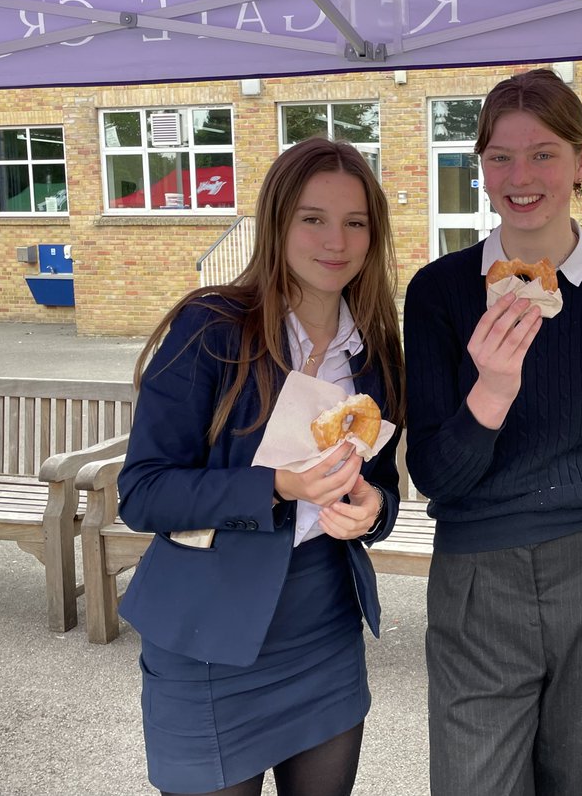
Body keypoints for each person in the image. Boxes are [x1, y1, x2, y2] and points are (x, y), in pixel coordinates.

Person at [403, 68, 582, 796]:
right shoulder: (439, 292)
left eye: (543, 153)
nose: (519, 176)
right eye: (499, 156)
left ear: (581, 160)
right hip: (477, 574)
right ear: (480, 168)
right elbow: (435, 471)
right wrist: (492, 391)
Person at [115, 137, 405, 796]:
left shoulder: (377, 353)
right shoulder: (211, 327)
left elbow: (380, 488)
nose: (337, 240)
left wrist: (373, 510)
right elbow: (144, 492)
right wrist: (277, 485)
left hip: (322, 628)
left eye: (355, 222)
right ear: (276, 223)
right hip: (207, 633)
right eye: (313, 218)